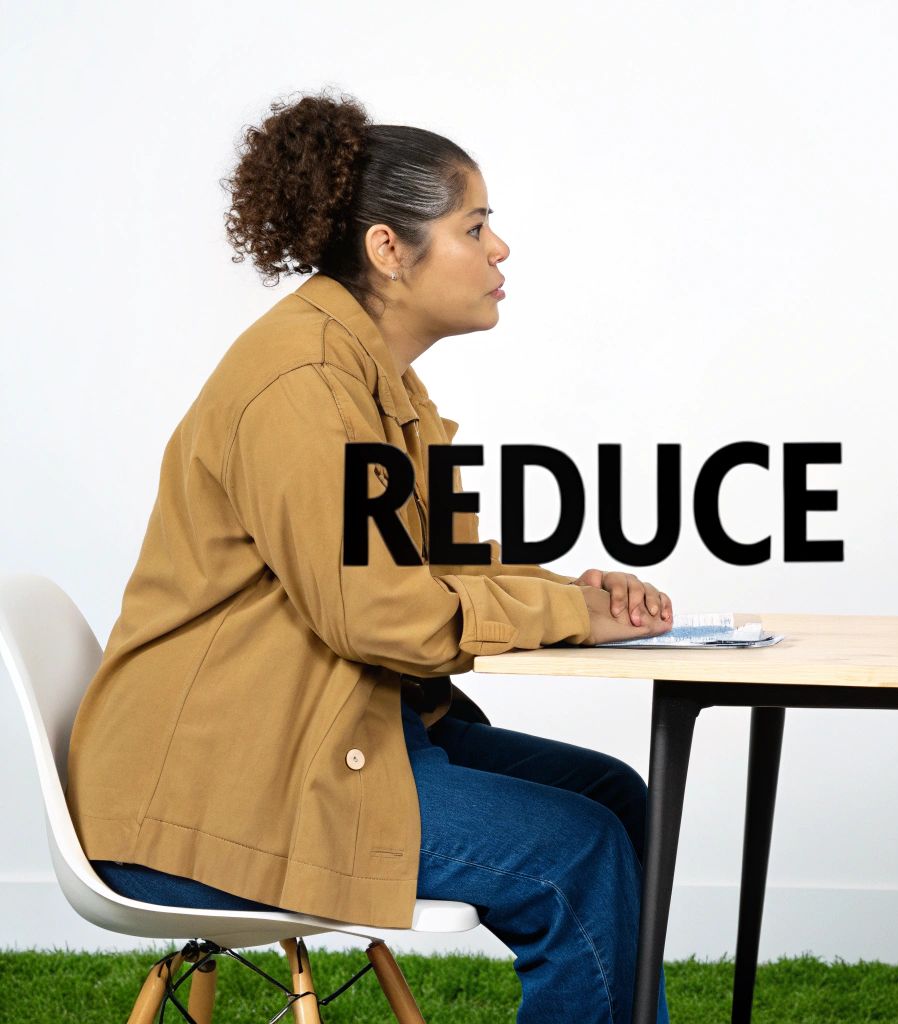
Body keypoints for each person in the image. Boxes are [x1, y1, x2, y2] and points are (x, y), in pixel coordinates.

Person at [66, 90, 676, 1024]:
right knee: (578, 851)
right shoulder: (304, 386)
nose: (500, 251)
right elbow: (381, 613)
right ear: (390, 250)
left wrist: (579, 595)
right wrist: (563, 616)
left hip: (335, 733)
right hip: (223, 788)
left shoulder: (376, 379)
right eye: (476, 228)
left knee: (617, 799)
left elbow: (442, 562)